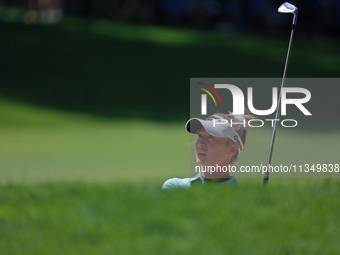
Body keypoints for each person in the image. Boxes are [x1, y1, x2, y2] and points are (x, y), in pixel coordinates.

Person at [162, 112, 253, 190]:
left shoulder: (242, 199)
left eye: (211, 137)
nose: (201, 143)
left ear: (233, 149)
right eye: (200, 135)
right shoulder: (175, 187)